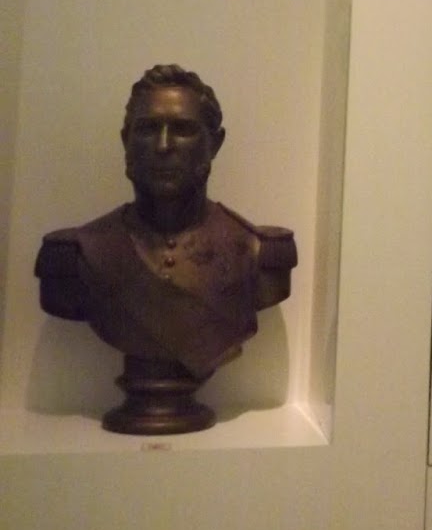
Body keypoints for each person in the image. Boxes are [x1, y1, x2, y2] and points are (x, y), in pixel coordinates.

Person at [35, 64, 296, 431]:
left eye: (183, 130)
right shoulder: (77, 255)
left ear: (215, 144)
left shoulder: (258, 254)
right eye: (147, 129)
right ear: (126, 141)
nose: (163, 146)